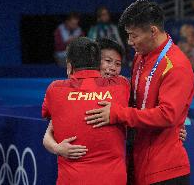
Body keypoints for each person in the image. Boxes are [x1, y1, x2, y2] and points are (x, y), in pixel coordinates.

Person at [85, 0, 194, 185]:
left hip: (165, 171)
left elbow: (167, 115)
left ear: (153, 31)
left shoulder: (177, 66)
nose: (129, 42)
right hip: (138, 163)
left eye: (133, 36)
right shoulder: (140, 57)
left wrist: (117, 114)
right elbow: (137, 101)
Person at [42, 37, 130, 185]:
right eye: (107, 61)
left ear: (69, 67)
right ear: (97, 62)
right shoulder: (122, 85)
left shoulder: (55, 89)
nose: (112, 68)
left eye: (117, 63)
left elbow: (50, 125)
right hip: (113, 179)